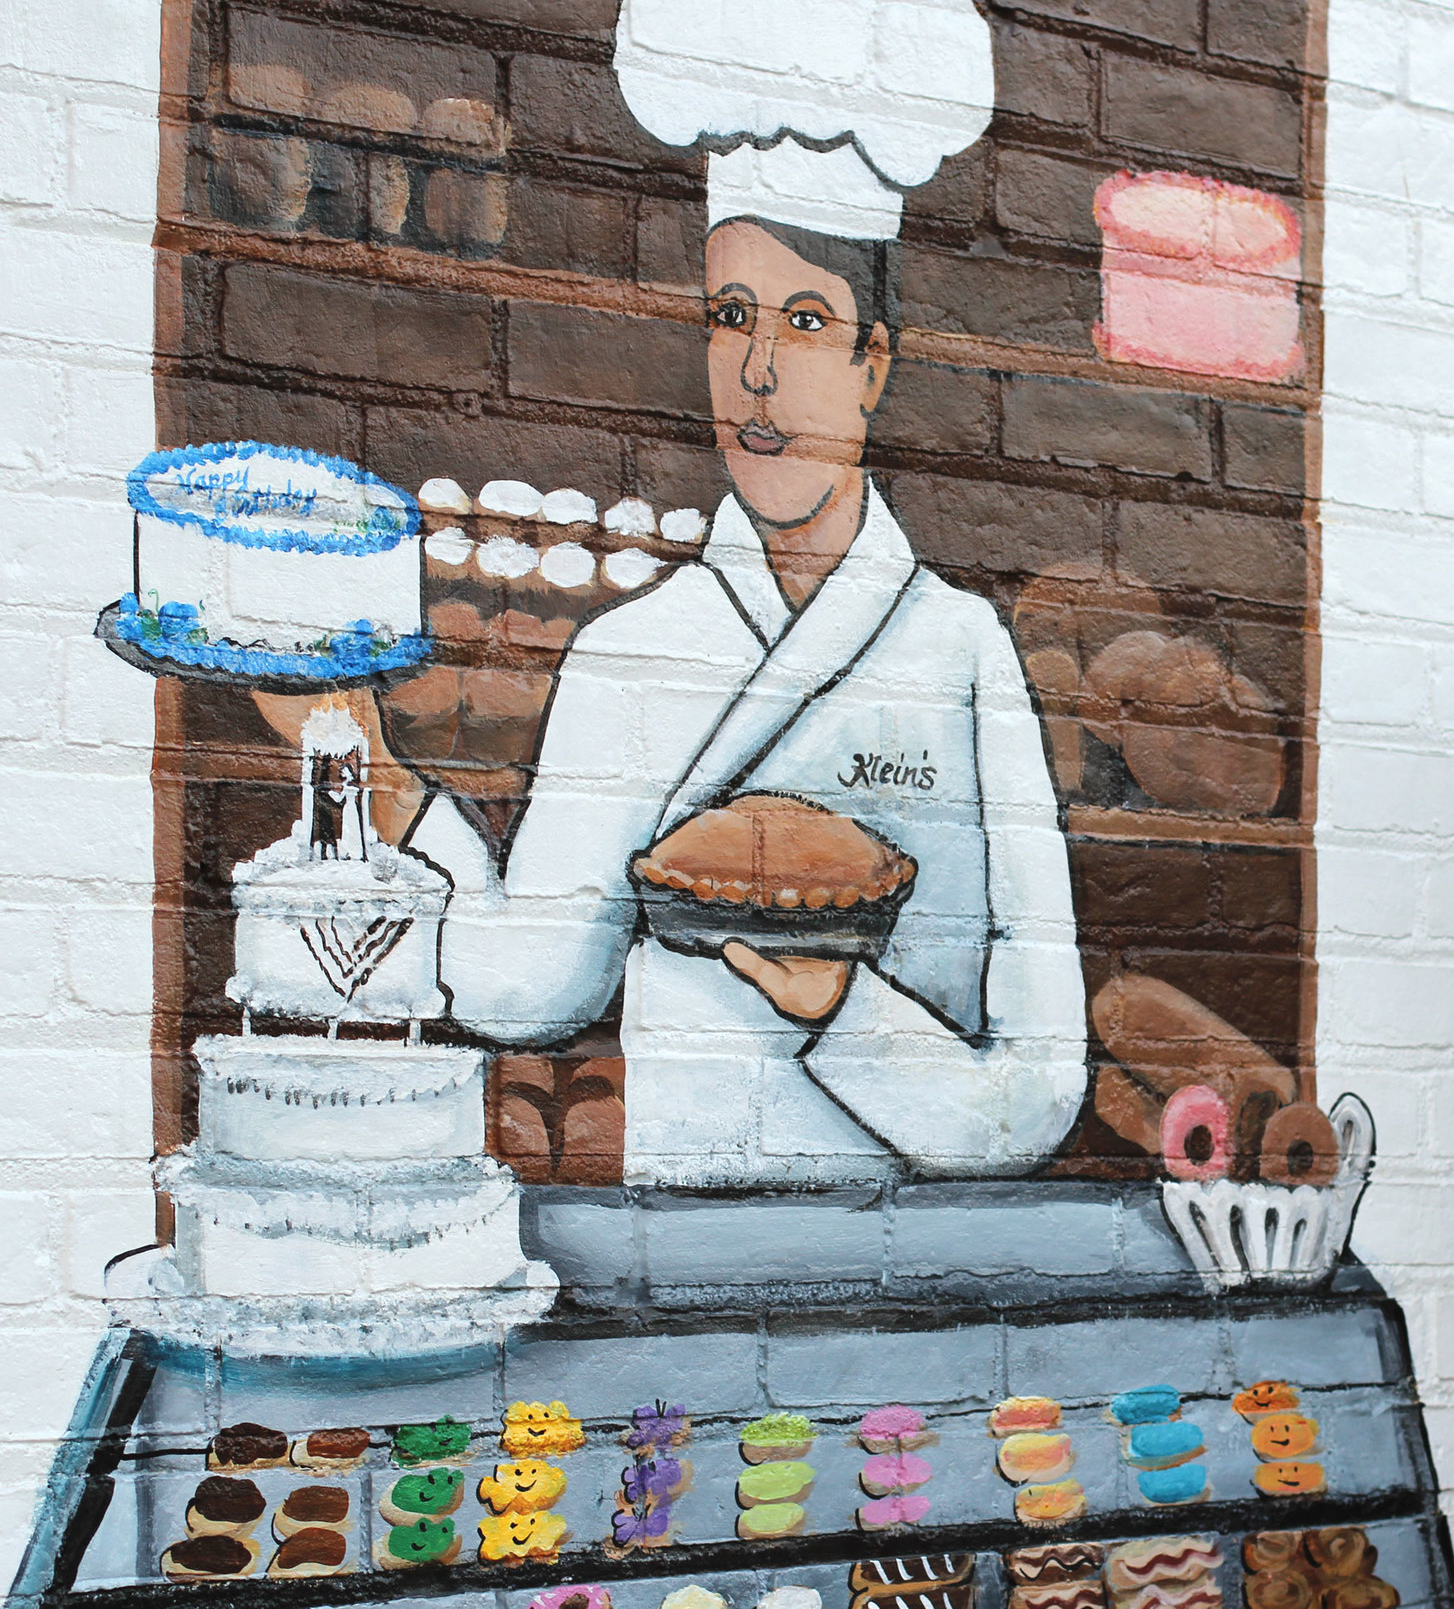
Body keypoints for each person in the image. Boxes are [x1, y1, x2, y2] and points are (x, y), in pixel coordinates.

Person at [311, 214, 1087, 1186]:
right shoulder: (627, 650)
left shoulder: (961, 648)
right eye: (730, 316)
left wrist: (840, 1008)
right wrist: (372, 766)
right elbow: (524, 986)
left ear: (872, 366)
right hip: (678, 1231)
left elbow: (1041, 1084)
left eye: (806, 321)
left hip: (923, 1252)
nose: (758, 371)